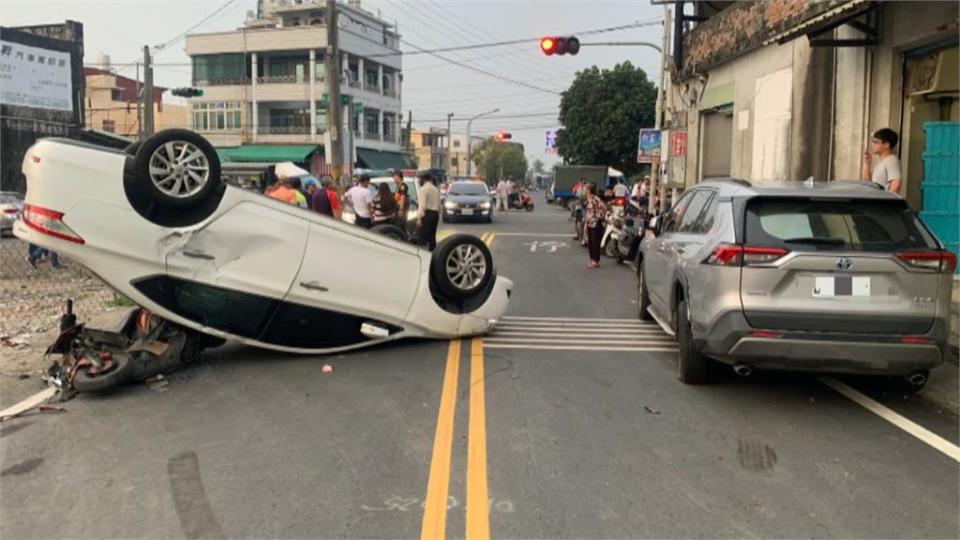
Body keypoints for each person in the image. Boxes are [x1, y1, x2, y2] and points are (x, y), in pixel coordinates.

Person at [862, 128, 902, 194]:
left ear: (886, 144)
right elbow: (866, 184)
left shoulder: (892, 160)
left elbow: (896, 184)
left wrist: (885, 202)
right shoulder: (880, 163)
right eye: (872, 142)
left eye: (875, 142)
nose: (872, 145)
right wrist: (867, 164)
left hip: (882, 203)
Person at [584, 182, 608, 269]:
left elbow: (604, 207)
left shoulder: (595, 198)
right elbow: (588, 212)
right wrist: (586, 224)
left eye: (585, 188)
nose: (584, 190)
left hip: (596, 224)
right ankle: (592, 260)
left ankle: (595, 261)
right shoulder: (588, 199)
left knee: (595, 243)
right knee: (590, 242)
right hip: (590, 223)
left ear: (589, 190)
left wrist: (599, 216)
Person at [417, 171, 441, 250]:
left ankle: (423, 254)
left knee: (423, 237)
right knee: (432, 237)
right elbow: (439, 205)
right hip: (435, 214)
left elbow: (422, 205)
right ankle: (433, 252)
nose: (418, 181)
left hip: (427, 214)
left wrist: (419, 219)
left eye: (419, 179)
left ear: (423, 179)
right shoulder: (435, 189)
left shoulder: (423, 189)